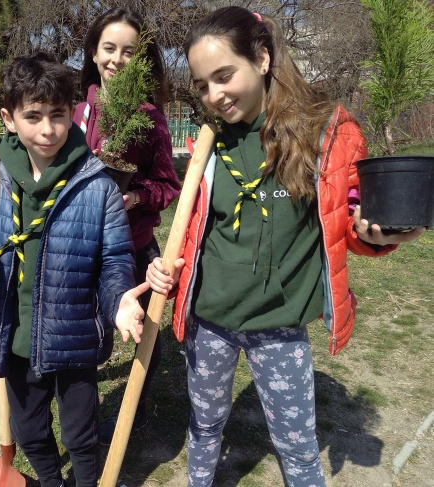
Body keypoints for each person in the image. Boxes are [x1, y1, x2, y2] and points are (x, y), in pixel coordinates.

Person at [145, 7, 425, 487]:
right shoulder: (209, 142)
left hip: (278, 326)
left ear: (262, 57)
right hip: (209, 322)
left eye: (224, 76)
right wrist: (164, 272)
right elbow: (191, 232)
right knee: (205, 426)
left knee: (297, 446)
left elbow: (348, 224)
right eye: (202, 84)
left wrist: (377, 235)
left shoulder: (327, 135)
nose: (214, 95)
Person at [0, 52, 148, 487]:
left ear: (72, 114)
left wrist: (119, 302)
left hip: (75, 337)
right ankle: (52, 481)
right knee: (29, 429)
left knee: (80, 434)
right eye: (33, 116)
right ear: (9, 120)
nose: (47, 129)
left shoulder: (98, 185)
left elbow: (114, 260)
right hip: (14, 335)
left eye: (57, 114)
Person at [73, 7, 182, 444]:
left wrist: (135, 196)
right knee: (86, 329)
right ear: (94, 54)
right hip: (82, 245)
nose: (117, 59)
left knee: (145, 332)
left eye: (129, 52)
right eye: (109, 49)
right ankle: (81, 400)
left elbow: (168, 185)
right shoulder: (77, 113)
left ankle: (135, 400)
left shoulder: (151, 119)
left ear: (141, 61)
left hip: (134, 243)